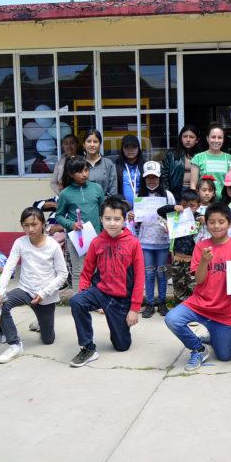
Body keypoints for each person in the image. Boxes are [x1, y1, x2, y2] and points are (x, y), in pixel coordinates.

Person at [164, 202, 231, 371]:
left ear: (229, 223)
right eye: (212, 222)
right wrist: (204, 261)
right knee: (172, 319)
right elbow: (199, 280)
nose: (216, 226)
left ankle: (213, 336)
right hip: (199, 304)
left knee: (225, 356)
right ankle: (198, 348)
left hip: (223, 311)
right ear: (206, 223)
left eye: (221, 221)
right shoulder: (201, 246)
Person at [68, 196, 145, 367]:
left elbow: (140, 278)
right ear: (101, 219)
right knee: (77, 301)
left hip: (122, 300)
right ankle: (88, 347)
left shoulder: (133, 243)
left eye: (117, 219)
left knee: (122, 346)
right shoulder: (96, 242)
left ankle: (120, 327)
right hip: (100, 292)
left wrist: (134, 309)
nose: (112, 223)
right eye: (108, 219)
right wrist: (84, 293)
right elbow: (87, 272)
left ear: (124, 220)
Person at [0, 208, 68, 364]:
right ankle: (14, 345)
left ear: (43, 224)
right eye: (26, 225)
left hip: (44, 295)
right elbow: (9, 268)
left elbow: (63, 274)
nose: (30, 229)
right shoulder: (20, 242)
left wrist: (44, 293)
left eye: (34, 224)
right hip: (25, 290)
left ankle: (41, 322)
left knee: (48, 340)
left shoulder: (52, 245)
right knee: (1, 304)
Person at [55, 155, 105, 291]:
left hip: (97, 237)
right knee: (78, 272)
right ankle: (79, 303)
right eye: (80, 171)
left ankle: (97, 301)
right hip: (77, 238)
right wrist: (71, 225)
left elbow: (103, 212)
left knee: (97, 271)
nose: (84, 174)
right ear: (71, 174)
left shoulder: (97, 188)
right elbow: (59, 216)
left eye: (86, 170)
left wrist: (103, 234)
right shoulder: (65, 193)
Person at [135, 161, 175, 318]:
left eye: (155, 177)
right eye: (149, 177)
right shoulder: (139, 196)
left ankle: (162, 302)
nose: (152, 181)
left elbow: (174, 217)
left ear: (160, 178)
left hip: (163, 241)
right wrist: (132, 217)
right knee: (149, 273)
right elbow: (136, 221)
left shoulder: (168, 195)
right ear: (144, 179)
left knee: (162, 272)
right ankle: (150, 303)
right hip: (145, 242)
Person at [158, 189, 202, 304]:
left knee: (193, 287)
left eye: (191, 206)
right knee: (178, 287)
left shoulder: (198, 218)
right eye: (184, 205)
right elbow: (160, 211)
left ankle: (194, 311)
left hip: (192, 262)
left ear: (198, 206)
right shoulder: (176, 216)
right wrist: (174, 208)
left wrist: (204, 219)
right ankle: (179, 311)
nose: (187, 208)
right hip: (177, 260)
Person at [190, 123, 231, 199]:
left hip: (224, 202)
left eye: (220, 137)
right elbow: (193, 185)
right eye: (213, 137)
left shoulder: (230, 159)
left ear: (223, 139)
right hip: (204, 203)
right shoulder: (198, 158)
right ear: (207, 138)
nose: (216, 140)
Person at [162, 124, 201, 198]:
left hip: (196, 192)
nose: (188, 139)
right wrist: (167, 193)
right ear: (181, 138)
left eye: (192, 137)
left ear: (197, 140)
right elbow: (164, 175)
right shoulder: (171, 154)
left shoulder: (201, 155)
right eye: (185, 136)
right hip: (176, 192)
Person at [82, 129, 117, 197]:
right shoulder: (79, 164)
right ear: (84, 144)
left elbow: (113, 190)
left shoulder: (108, 164)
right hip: (83, 205)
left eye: (95, 142)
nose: (92, 145)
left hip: (105, 205)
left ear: (100, 144)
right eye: (89, 141)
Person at [114, 134, 145, 207]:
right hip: (123, 208)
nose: (130, 150)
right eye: (127, 147)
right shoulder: (116, 166)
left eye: (133, 147)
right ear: (122, 149)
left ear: (138, 149)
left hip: (143, 207)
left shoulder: (144, 166)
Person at [194, 175, 217, 243]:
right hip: (196, 241)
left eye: (210, 190)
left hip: (212, 240)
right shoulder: (193, 207)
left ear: (214, 193)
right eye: (204, 190)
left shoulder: (215, 208)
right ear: (198, 191)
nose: (207, 193)